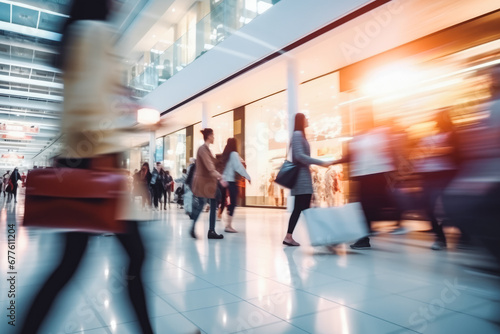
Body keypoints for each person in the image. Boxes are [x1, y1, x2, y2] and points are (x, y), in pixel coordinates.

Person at [20, 1, 154, 333]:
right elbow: (91, 109)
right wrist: (129, 126)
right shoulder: (96, 33)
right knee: (129, 255)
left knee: (73, 263)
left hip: (82, 159)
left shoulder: (77, 33)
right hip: (97, 162)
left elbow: (83, 105)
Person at [334, 106, 400, 250]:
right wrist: (333, 162)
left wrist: (394, 170)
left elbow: (391, 150)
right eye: (359, 116)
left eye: (363, 116)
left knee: (377, 204)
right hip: (362, 176)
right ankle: (365, 237)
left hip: (378, 174)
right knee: (364, 208)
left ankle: (397, 220)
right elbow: (350, 156)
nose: (360, 119)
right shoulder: (358, 137)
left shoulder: (381, 132)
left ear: (370, 117)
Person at [413, 108, 467, 250]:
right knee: (428, 207)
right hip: (428, 175)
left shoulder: (452, 134)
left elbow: (450, 150)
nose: (436, 121)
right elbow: (420, 153)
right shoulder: (432, 136)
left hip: (444, 175)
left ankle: (462, 234)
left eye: (438, 118)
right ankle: (440, 237)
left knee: (447, 207)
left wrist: (430, 150)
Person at [283, 113, 333, 246]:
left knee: (302, 209)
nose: (308, 120)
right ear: (301, 120)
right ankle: (319, 237)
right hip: (301, 179)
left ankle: (290, 236)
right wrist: (321, 162)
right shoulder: (298, 135)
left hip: (302, 177)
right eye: (306, 118)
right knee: (305, 209)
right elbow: (300, 156)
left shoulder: (298, 135)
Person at [190, 128, 226, 239]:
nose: (214, 137)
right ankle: (196, 228)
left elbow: (212, 164)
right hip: (203, 184)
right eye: (213, 135)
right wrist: (220, 177)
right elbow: (210, 167)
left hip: (209, 184)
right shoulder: (203, 149)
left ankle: (211, 230)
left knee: (213, 202)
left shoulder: (206, 150)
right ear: (209, 136)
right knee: (202, 205)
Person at [221, 138, 251, 233]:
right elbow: (238, 167)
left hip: (224, 180)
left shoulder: (226, 154)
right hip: (231, 181)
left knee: (228, 201)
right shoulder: (234, 154)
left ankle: (227, 222)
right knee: (233, 202)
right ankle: (228, 225)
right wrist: (247, 176)